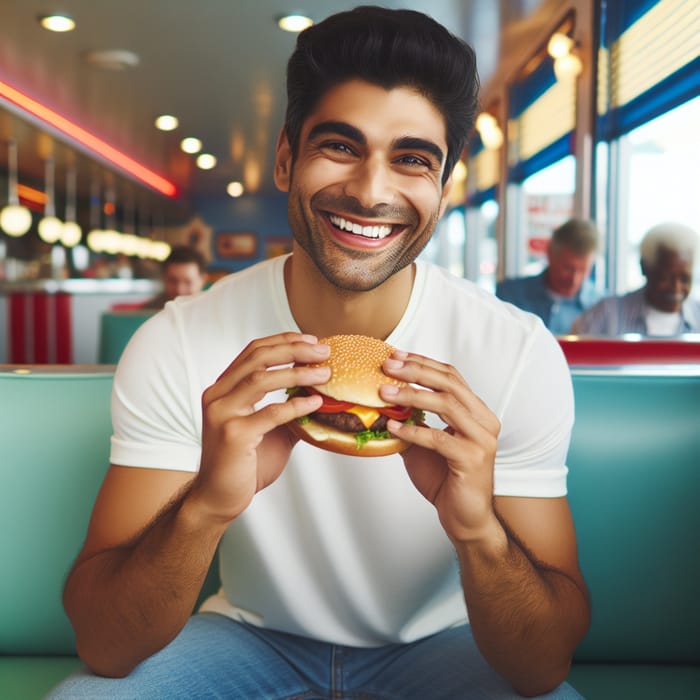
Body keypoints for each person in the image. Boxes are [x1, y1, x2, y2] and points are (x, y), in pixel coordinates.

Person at [50, 7, 589, 699]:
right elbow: (103, 644)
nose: (370, 190)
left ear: (444, 191)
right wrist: (208, 504)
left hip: (446, 644)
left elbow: (543, 667)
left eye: (412, 159)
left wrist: (479, 529)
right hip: (249, 638)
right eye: (340, 146)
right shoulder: (181, 339)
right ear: (285, 159)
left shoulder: (515, 352)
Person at [572, 222, 700, 336]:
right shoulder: (605, 315)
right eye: (665, 278)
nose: (676, 287)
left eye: (684, 279)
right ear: (644, 268)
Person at [496, 218, 603, 334]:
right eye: (567, 268)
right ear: (550, 254)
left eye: (583, 270)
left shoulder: (602, 308)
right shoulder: (511, 295)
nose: (574, 279)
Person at [141, 244, 208, 309]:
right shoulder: (148, 313)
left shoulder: (212, 310)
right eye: (173, 281)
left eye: (188, 282)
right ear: (164, 278)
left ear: (203, 280)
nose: (180, 290)